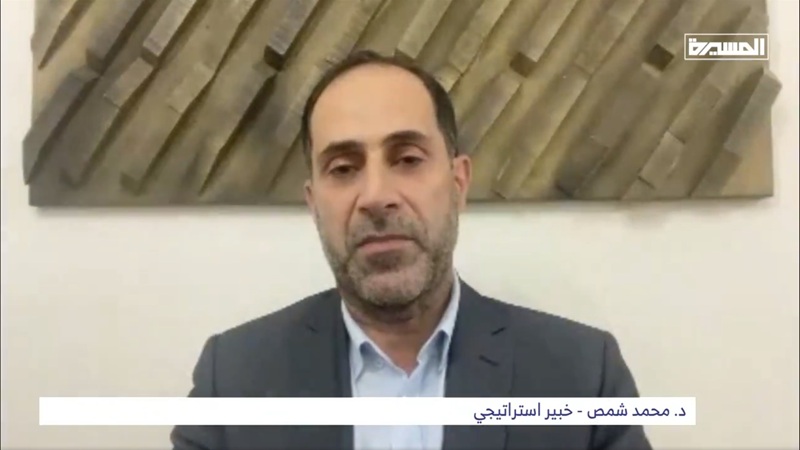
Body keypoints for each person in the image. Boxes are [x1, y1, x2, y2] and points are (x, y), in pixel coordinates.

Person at [171, 50, 652, 450]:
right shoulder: (234, 380)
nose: (377, 195)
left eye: (407, 159)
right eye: (343, 168)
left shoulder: (581, 375)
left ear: (458, 183)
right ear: (314, 204)